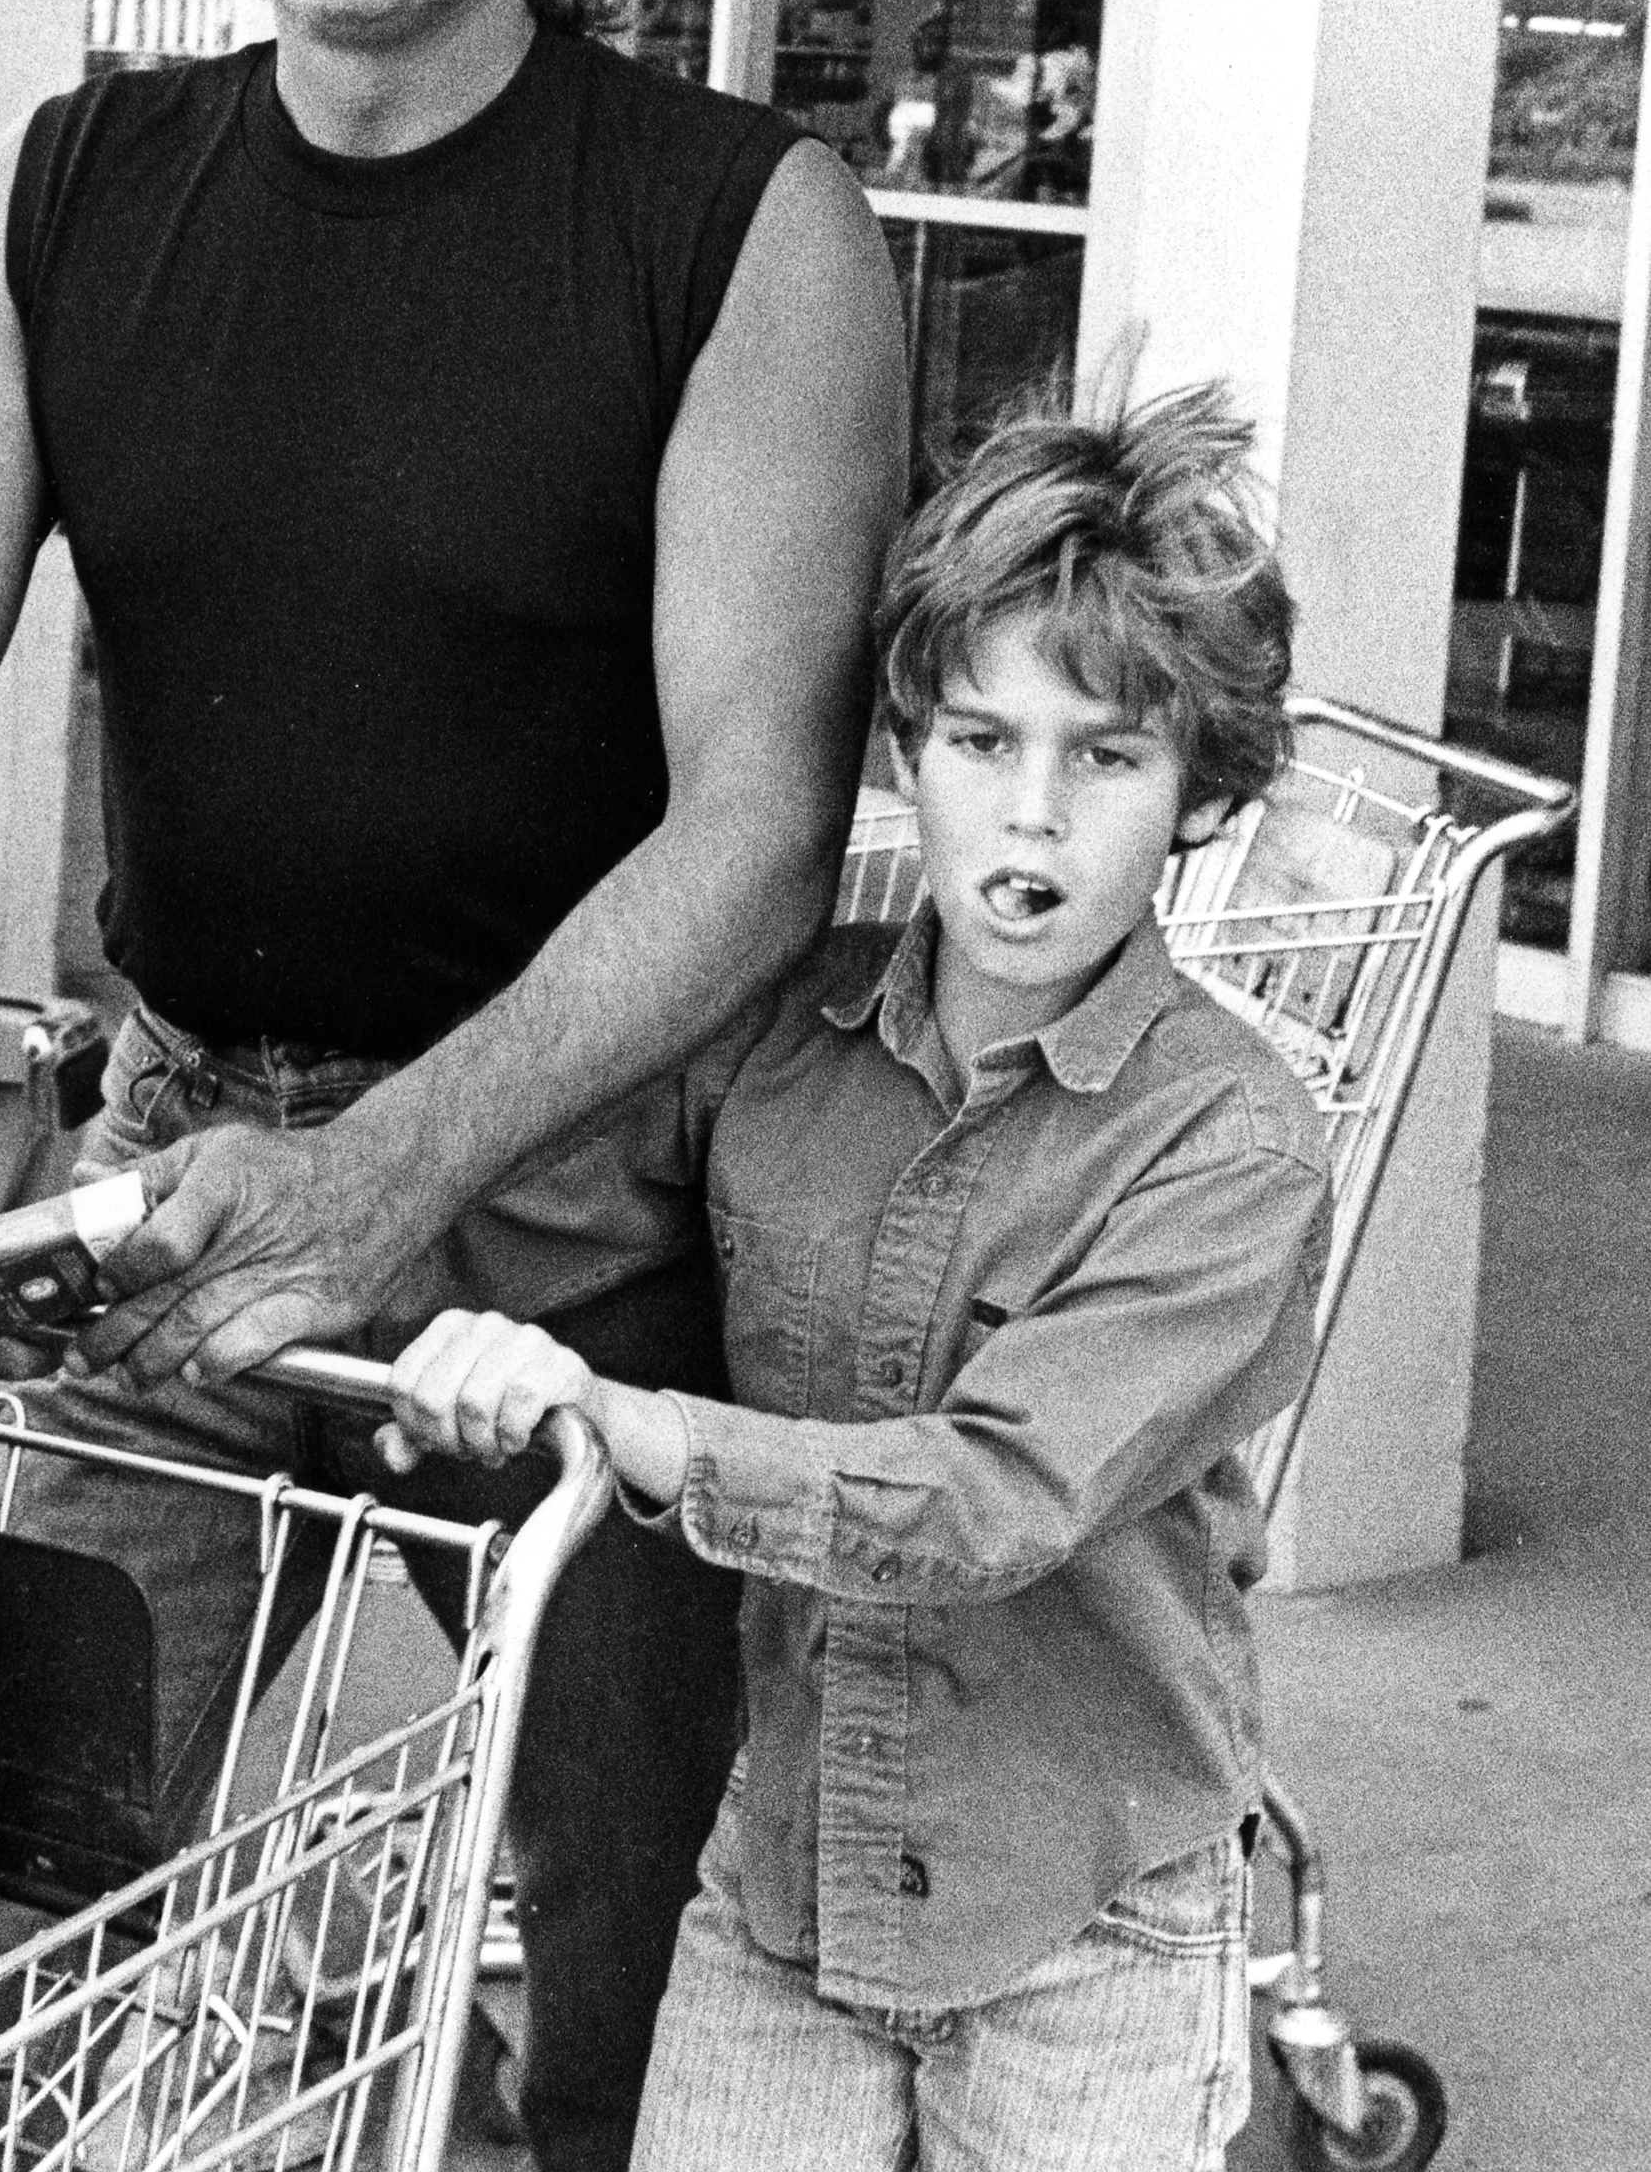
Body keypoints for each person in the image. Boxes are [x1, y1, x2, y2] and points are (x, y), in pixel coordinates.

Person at [0, 0, 906, 2172]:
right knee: (53, 1859)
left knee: (628, 1901)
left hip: (597, 1206)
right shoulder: (68, 193)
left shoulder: (738, 227)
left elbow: (754, 825)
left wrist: (386, 1177)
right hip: (165, 1158)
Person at [378, 379, 1331, 2172]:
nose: (1029, 817)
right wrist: (178, 1226)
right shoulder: (778, 1030)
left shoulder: (1231, 1147)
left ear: (1197, 789)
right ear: (901, 746)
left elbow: (982, 1501)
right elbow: (520, 1178)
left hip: (1083, 1916)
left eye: (1104, 756)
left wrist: (627, 1423)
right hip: (787, 1876)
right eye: (978, 741)